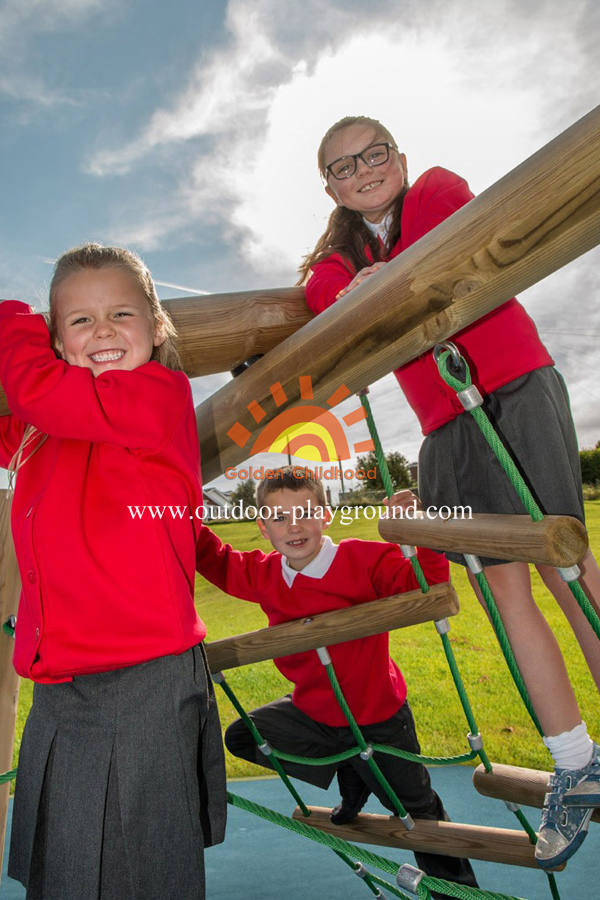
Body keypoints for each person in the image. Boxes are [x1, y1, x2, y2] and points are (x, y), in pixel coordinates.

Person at [299, 115, 600, 869]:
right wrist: (351, 282)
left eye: (373, 155)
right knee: (506, 597)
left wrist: (376, 285)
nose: (362, 170)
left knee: (571, 572)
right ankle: (577, 762)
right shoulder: (340, 257)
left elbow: (435, 242)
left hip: (514, 391)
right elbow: (321, 294)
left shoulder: (433, 188)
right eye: (343, 166)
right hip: (448, 430)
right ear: (330, 186)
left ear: (397, 157)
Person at [0, 244, 226, 900]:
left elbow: (32, 386)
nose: (101, 331)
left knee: (142, 870)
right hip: (64, 679)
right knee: (68, 865)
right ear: (59, 338)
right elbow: (22, 412)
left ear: (157, 328)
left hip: (142, 674)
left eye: (120, 314)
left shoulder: (155, 395)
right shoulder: (50, 428)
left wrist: (12, 319)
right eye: (79, 321)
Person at [196, 466, 479, 893]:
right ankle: (351, 765)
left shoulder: (361, 560)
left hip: (378, 714)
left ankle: (456, 890)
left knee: (416, 811)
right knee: (243, 737)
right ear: (263, 527)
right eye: (280, 517)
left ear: (326, 514)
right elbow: (215, 560)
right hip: (315, 713)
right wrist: (175, 508)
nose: (295, 527)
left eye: (306, 512)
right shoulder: (265, 574)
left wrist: (419, 530)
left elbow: (429, 585)